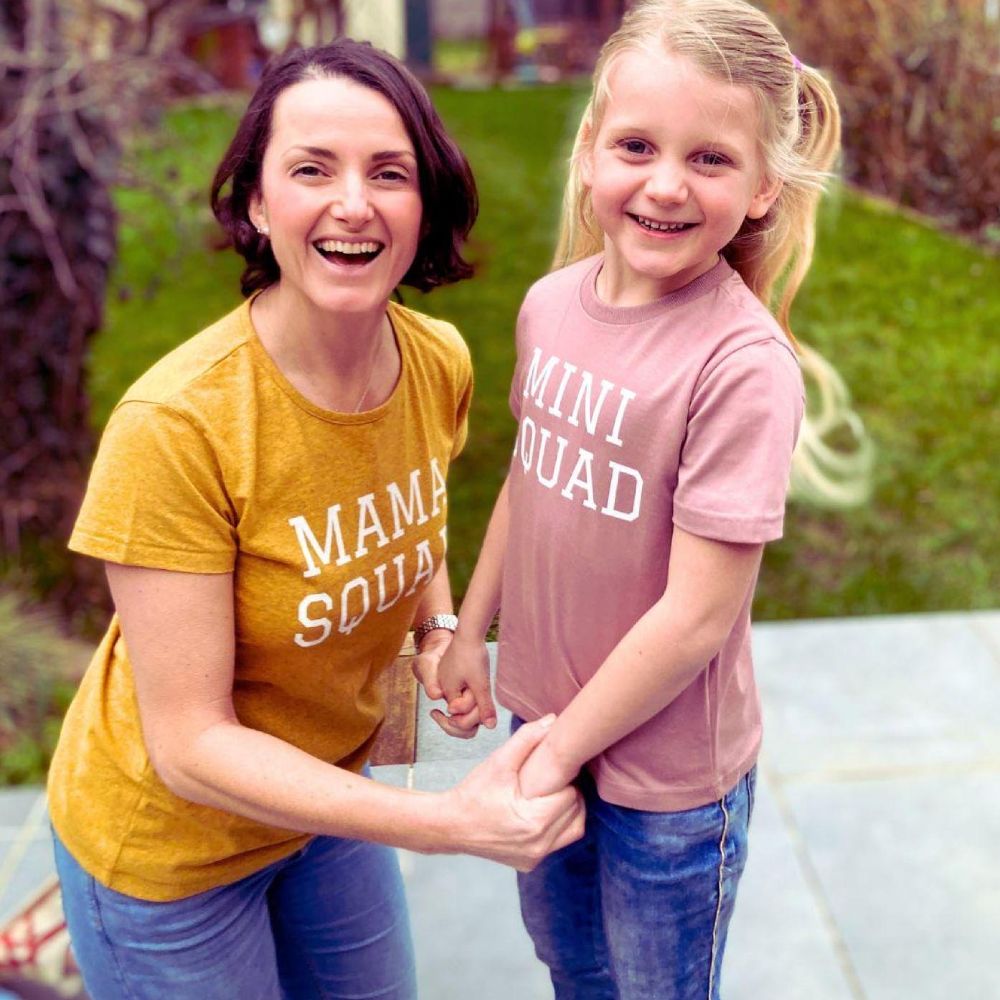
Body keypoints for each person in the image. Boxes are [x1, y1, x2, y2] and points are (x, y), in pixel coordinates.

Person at [46, 39, 584, 1000]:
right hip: (171, 858)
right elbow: (191, 745)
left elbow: (410, 514)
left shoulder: (435, 361)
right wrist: (451, 822)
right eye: (311, 169)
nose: (354, 204)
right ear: (257, 202)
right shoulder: (177, 427)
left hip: (323, 809)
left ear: (427, 205)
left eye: (390, 173)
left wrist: (437, 626)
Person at [434, 1, 869, 997]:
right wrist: (469, 632)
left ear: (762, 188)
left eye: (710, 160)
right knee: (570, 965)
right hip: (541, 722)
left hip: (666, 784)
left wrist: (555, 759)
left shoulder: (740, 364)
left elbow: (694, 618)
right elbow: (527, 479)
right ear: (589, 152)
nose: (664, 185)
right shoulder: (550, 306)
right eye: (635, 144)